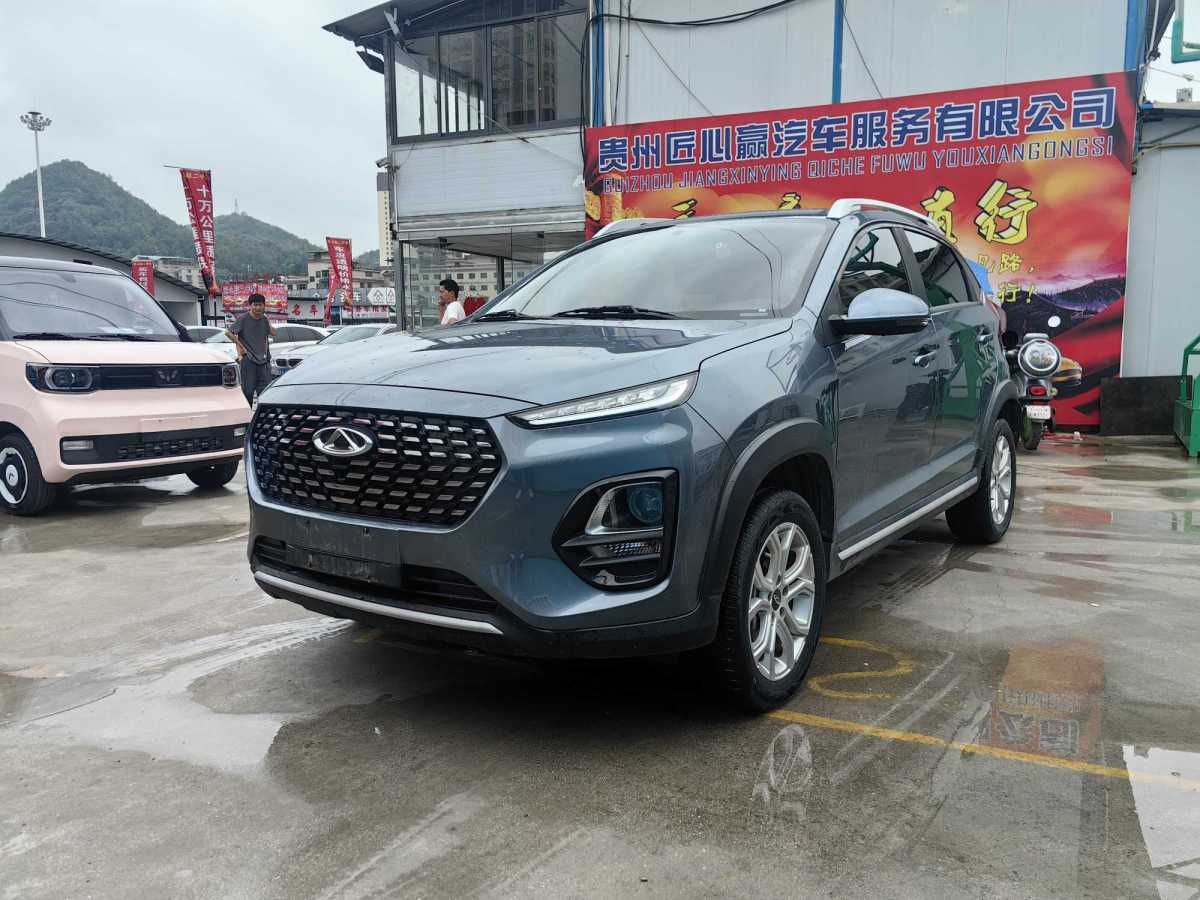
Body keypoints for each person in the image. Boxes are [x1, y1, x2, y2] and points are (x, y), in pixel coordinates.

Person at [226, 293, 276, 404]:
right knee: (248, 392)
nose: (258, 307)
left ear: (264, 306)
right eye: (255, 305)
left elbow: (274, 333)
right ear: (250, 305)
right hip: (249, 360)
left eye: (260, 305)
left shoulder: (264, 319)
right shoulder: (243, 318)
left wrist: (267, 319)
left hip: (264, 361)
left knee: (265, 392)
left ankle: (262, 414)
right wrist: (241, 347)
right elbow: (228, 333)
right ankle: (247, 413)